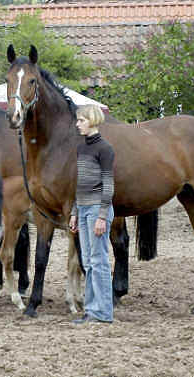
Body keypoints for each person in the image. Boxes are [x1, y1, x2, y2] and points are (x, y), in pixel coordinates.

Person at [69, 104, 115, 324]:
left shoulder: (104, 149)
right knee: (87, 262)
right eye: (78, 120)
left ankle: (103, 312)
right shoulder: (82, 148)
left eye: (81, 120)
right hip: (84, 208)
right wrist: (74, 212)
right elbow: (81, 183)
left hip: (98, 208)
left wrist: (102, 216)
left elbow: (108, 184)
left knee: (99, 261)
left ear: (93, 121)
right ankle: (91, 310)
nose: (78, 124)